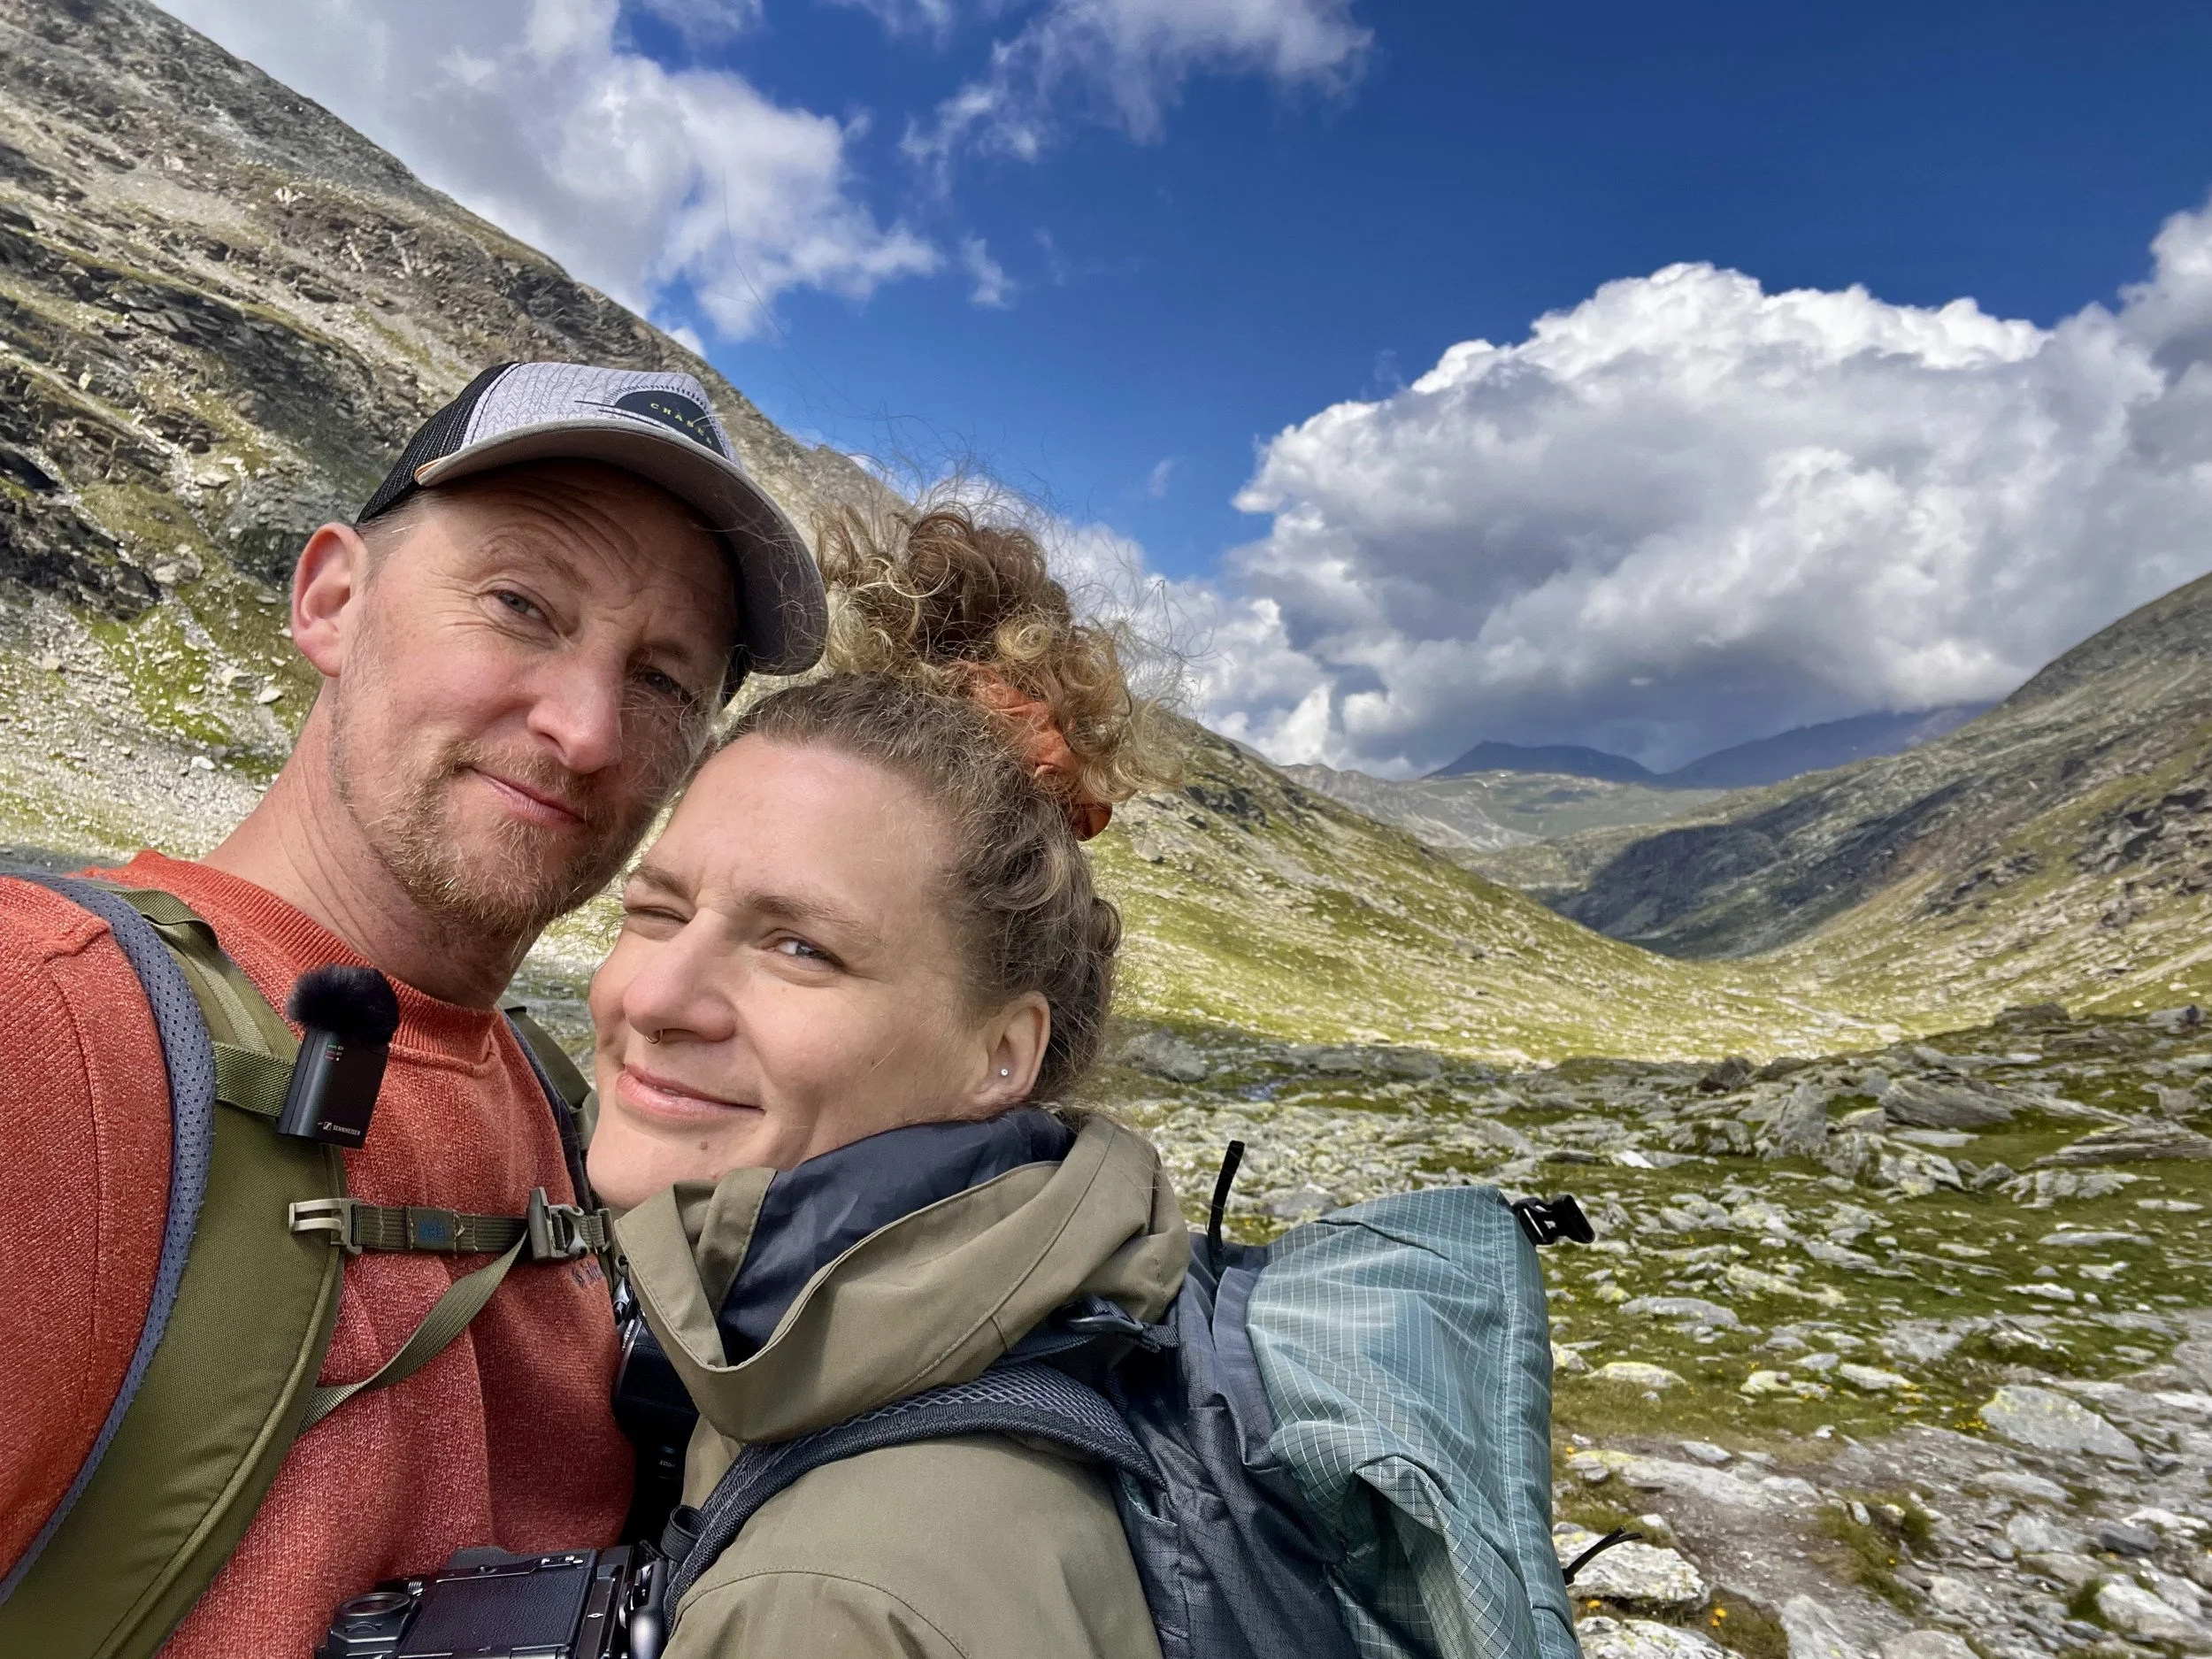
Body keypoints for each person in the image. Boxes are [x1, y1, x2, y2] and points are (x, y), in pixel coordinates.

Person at [0, 362, 826, 1657]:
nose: (588, 726)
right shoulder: (50, 1028)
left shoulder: (563, 1109)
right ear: (331, 597)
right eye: (520, 604)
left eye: (666, 682)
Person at [588, 503, 1185, 1659]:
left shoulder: (832, 1605)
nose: (655, 996)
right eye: (655, 910)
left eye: (799, 946)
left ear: (999, 1054)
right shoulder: (1031, 1325)